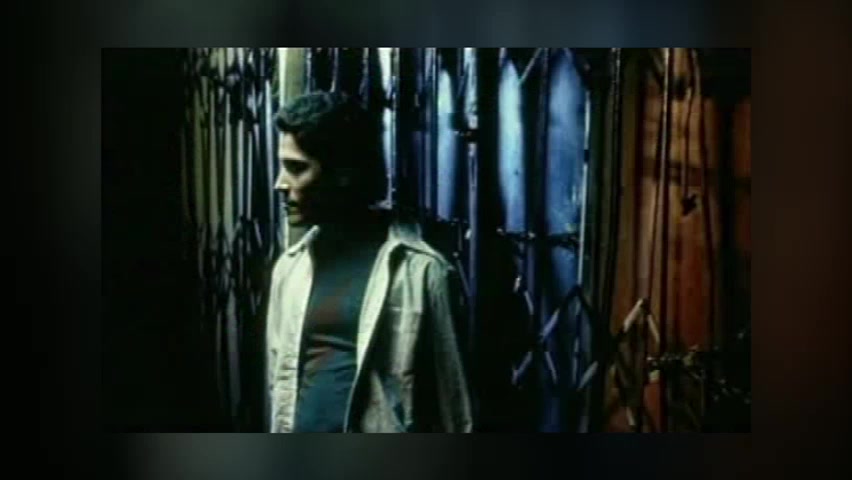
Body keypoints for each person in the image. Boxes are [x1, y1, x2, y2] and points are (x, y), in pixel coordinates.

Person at [265, 91, 473, 432]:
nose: (280, 184)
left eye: (297, 168)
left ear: (343, 173)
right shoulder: (290, 269)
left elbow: (455, 404)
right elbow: (280, 385)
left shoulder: (420, 271)